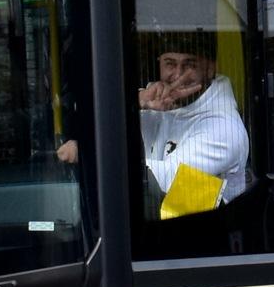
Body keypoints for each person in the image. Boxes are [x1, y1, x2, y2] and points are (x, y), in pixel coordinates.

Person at [55, 45, 253, 252]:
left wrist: (90, 155)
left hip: (200, 254)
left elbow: (164, 181)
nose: (177, 74)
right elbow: (91, 128)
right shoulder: (157, 104)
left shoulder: (223, 128)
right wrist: (135, 101)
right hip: (152, 237)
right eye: (170, 63)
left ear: (210, 69)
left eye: (190, 65)